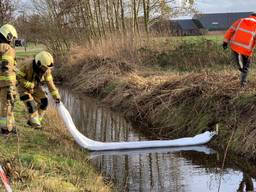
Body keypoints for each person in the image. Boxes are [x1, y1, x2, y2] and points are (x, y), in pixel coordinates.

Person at [17, 51, 61, 129]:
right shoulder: (27, 65)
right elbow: (19, 78)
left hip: (36, 87)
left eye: (48, 68)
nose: (46, 70)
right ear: (38, 63)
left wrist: (56, 96)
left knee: (44, 102)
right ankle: (35, 124)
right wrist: (29, 85)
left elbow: (50, 83)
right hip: (23, 88)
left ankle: (35, 122)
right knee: (31, 104)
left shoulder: (47, 70)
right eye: (45, 68)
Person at [223, 12, 256, 87]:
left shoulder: (240, 20)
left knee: (238, 61)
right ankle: (243, 84)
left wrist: (225, 42)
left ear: (251, 15)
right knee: (246, 67)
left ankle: (239, 66)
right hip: (246, 49)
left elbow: (230, 30)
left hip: (235, 46)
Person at [0, 24, 18, 135]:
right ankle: (5, 129)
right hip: (6, 83)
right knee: (7, 105)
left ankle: (8, 126)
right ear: (9, 36)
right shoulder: (8, 49)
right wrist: (11, 85)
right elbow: (6, 67)